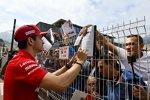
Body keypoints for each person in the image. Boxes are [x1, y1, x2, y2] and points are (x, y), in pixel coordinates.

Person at [4, 24, 88, 100]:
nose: (43, 41)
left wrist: (68, 65)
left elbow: (51, 77)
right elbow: (60, 84)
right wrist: (80, 61)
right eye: (40, 38)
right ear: (31, 41)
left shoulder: (23, 60)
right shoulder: (24, 63)